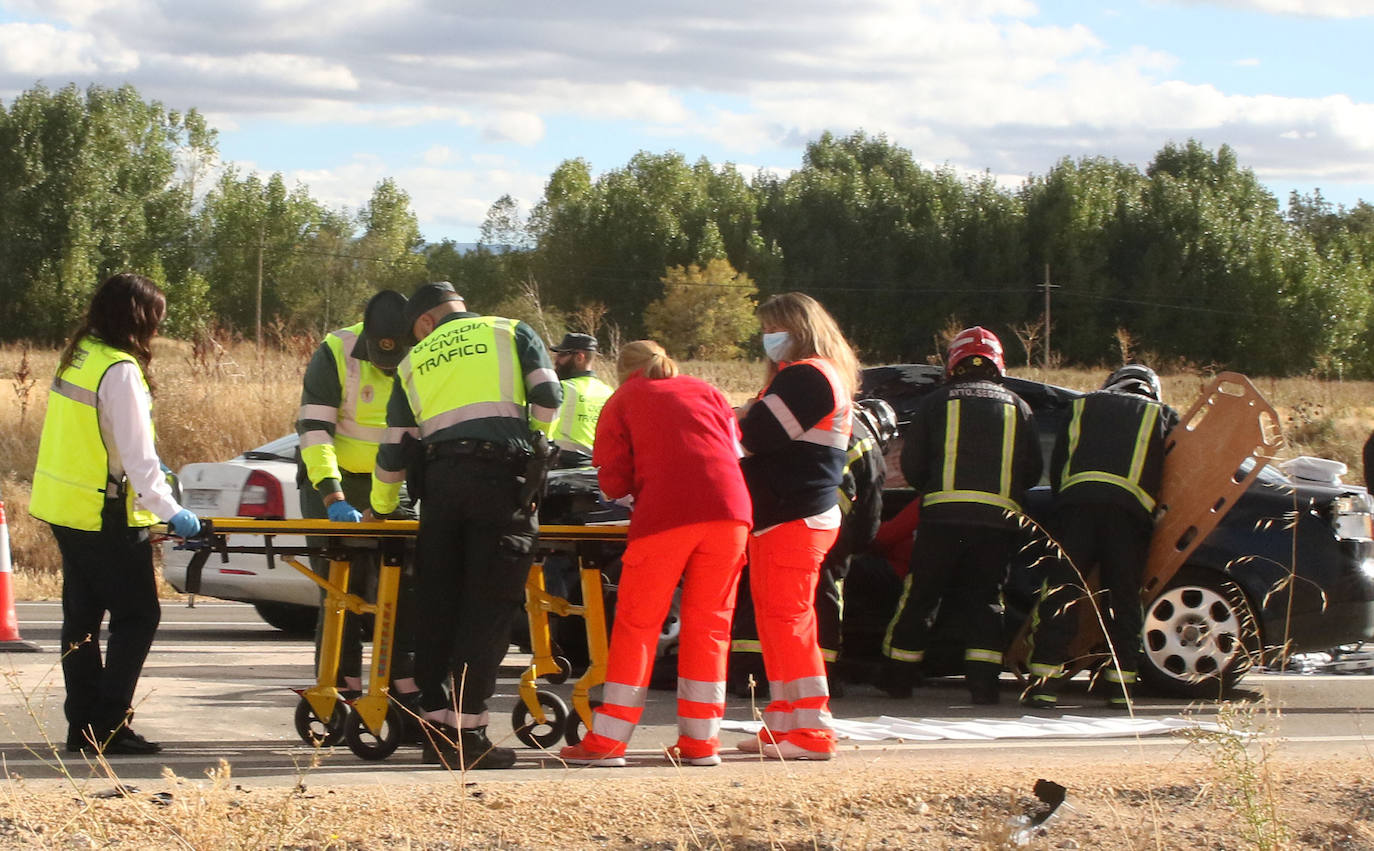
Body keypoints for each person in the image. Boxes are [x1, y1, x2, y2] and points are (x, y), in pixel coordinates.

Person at [369, 281, 561, 770]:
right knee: (488, 609)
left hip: (439, 491)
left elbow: (394, 450)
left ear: (426, 322)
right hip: (501, 485)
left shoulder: (412, 363)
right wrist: (536, 448)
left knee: (439, 607)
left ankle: (435, 727)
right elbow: (548, 396)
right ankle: (467, 733)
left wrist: (384, 507)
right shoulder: (511, 330)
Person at [29, 272, 202, 755]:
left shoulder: (81, 355)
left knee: (81, 619)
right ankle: (107, 725)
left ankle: (83, 725)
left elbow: (100, 437)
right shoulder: (121, 369)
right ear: (139, 319)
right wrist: (170, 511)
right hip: (103, 512)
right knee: (138, 616)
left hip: (67, 507)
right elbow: (139, 460)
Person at [558, 341, 751, 767]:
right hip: (731, 514)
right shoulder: (708, 391)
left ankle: (608, 741)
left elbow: (611, 479)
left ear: (625, 371)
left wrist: (632, 492)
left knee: (638, 625)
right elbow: (733, 450)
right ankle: (701, 743)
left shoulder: (624, 398)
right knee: (710, 628)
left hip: (665, 517)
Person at [882, 326, 1042, 705]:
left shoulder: (937, 403)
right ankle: (983, 687)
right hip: (996, 524)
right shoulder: (1019, 407)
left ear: (954, 362)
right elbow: (1032, 469)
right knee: (986, 602)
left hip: (941, 520)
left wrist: (935, 493)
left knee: (921, 596)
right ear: (997, 363)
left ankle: (899, 679)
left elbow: (912, 463)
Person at [736, 292, 857, 761]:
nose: (768, 338)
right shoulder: (807, 375)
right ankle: (785, 722)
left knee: (787, 621)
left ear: (798, 327)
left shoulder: (808, 376)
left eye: (773, 327)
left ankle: (811, 731)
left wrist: (741, 416)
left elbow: (758, 435)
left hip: (795, 514)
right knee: (777, 621)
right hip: (785, 513)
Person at [1021, 364, 1177, 709]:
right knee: (1123, 596)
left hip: (1077, 507)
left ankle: (1043, 684)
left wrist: (1065, 504)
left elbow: (1060, 461)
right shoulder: (1162, 414)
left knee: (1063, 591)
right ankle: (1120, 688)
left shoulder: (1082, 404)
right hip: (1129, 514)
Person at [296, 290, 415, 700]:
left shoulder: (421, 354)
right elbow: (314, 431)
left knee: (400, 586)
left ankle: (403, 683)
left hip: (392, 482)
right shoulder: (335, 352)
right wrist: (333, 496)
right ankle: (338, 685)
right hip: (334, 482)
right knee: (337, 589)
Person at [816, 397, 896, 693]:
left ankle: (748, 674)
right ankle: (823, 676)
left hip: (783, 517)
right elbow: (869, 513)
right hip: (829, 528)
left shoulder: (826, 421)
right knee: (826, 597)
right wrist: (854, 547)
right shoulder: (868, 446)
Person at [545, 332, 615, 468]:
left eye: (562, 355)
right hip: (597, 469)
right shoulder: (609, 392)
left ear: (579, 357)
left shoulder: (560, 389)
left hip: (562, 467)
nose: (556, 360)